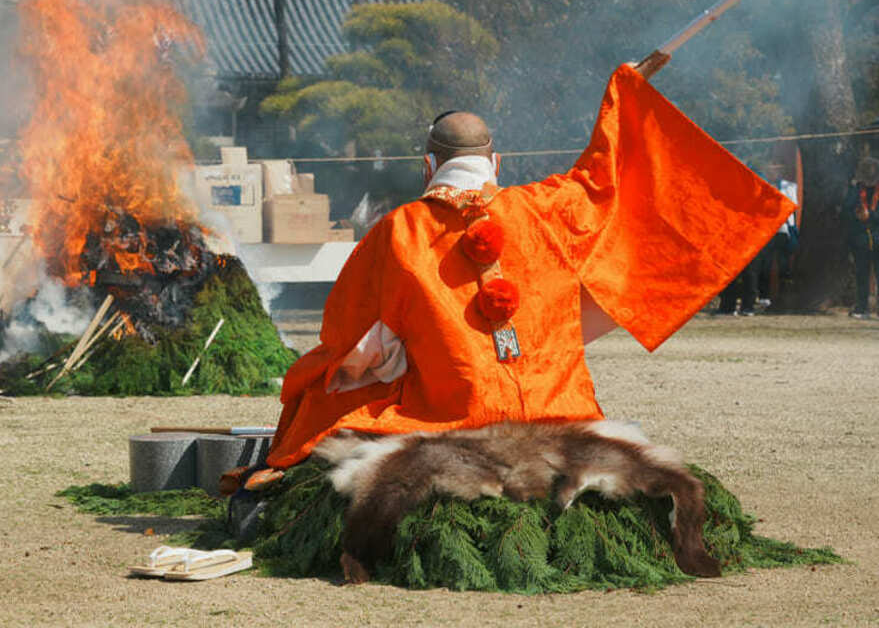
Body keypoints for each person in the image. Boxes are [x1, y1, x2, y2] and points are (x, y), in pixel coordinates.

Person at [260, 64, 796, 472]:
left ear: (427, 166)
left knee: (322, 390)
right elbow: (604, 178)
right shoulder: (547, 208)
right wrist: (625, 92)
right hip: (559, 410)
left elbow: (353, 346)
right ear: (497, 163)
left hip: (454, 413)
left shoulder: (398, 231)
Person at [845, 157, 879, 318]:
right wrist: (857, 213)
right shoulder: (856, 190)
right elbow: (846, 208)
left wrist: (870, 215)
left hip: (878, 236)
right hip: (860, 239)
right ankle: (862, 308)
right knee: (861, 275)